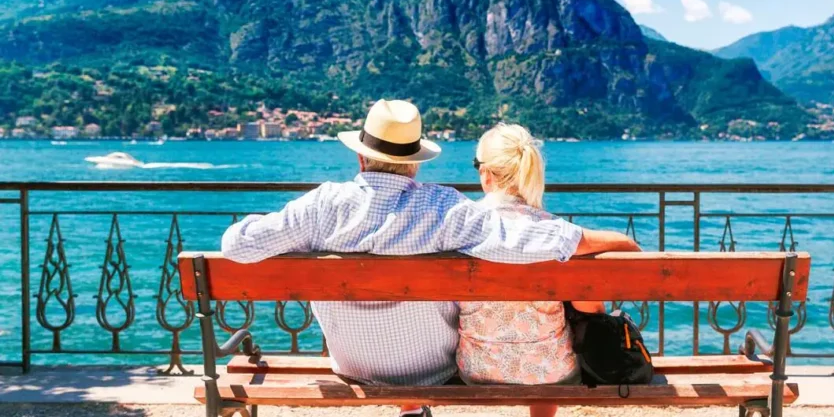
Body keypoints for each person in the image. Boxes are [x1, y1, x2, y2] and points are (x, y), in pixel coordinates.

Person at [220, 100, 640, 417]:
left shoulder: (320, 205)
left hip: (350, 363)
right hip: (431, 369)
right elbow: (517, 237)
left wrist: (290, 227)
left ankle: (411, 409)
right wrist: (604, 239)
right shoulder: (441, 207)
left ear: (360, 156)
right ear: (415, 164)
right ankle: (413, 404)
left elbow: (236, 245)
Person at [457, 124, 608, 417]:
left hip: (476, 368)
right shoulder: (556, 233)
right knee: (549, 337)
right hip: (551, 372)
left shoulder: (460, 228)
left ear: (486, 174)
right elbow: (591, 307)